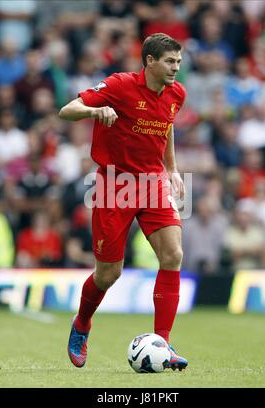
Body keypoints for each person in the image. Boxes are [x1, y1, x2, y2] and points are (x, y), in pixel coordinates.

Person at [59, 33, 188, 371]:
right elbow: (66, 110)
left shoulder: (177, 94)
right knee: (108, 273)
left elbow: (167, 123)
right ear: (149, 61)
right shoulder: (119, 85)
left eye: (178, 61)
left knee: (173, 255)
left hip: (152, 182)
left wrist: (171, 168)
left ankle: (164, 342)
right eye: (170, 61)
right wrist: (94, 110)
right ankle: (82, 324)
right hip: (114, 185)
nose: (177, 67)